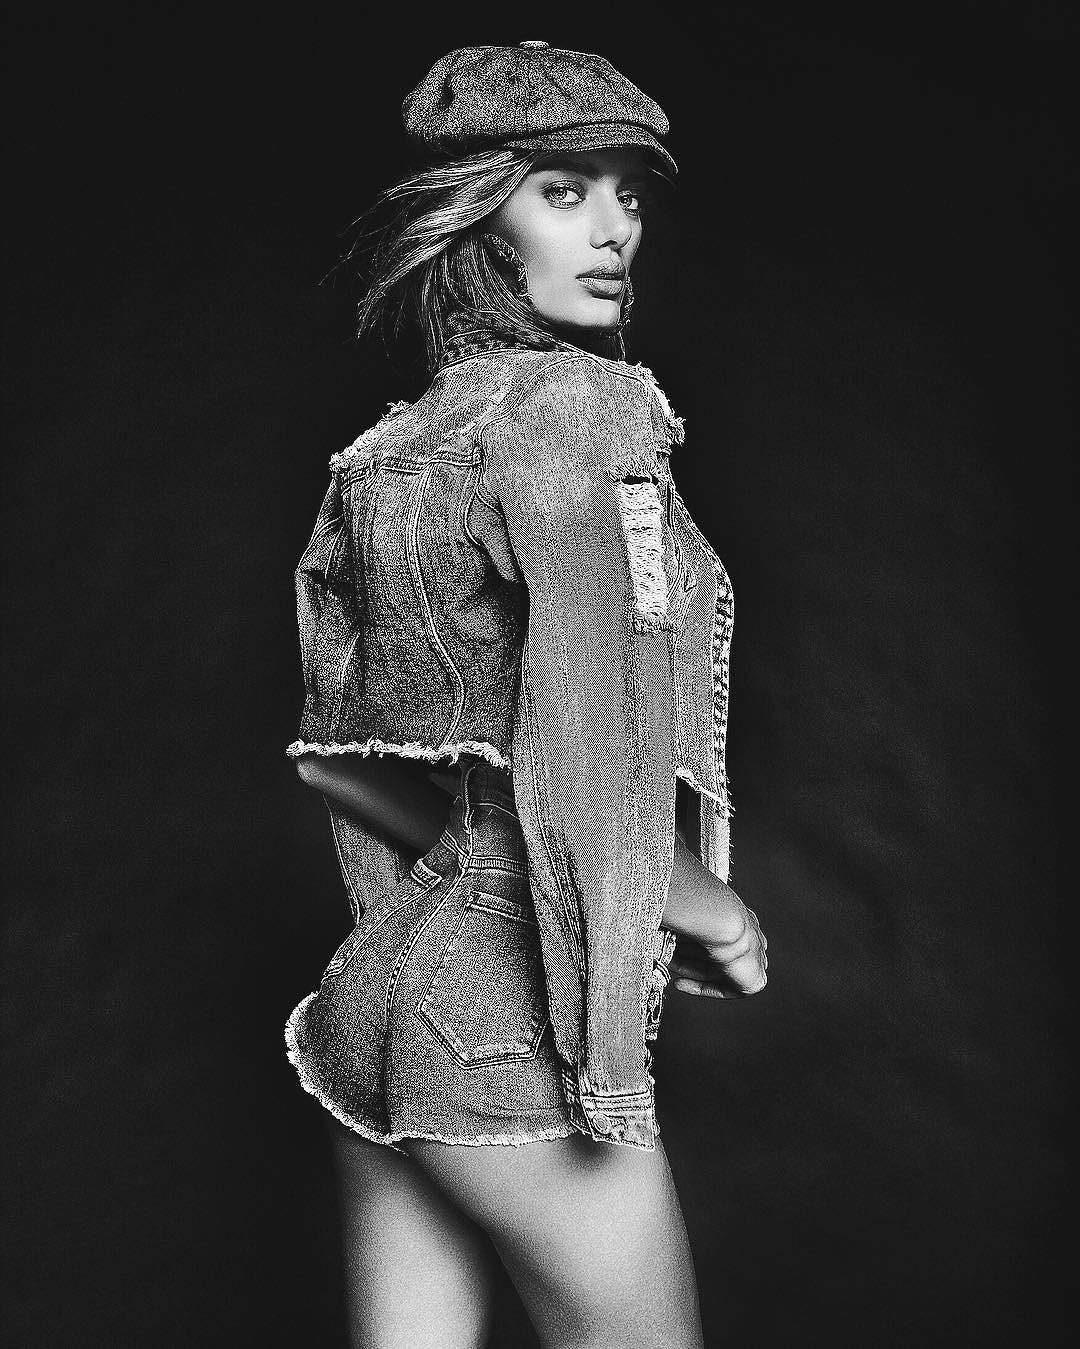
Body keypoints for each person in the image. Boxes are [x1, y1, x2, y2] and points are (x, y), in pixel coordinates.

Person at [283, 41, 768, 1349]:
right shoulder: (580, 416)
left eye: (628, 194)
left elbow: (338, 758)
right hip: (504, 1032)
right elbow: (591, 752)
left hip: (368, 1002)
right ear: (476, 220)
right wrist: (714, 911)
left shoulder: (387, 454)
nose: (614, 230)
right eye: (564, 192)